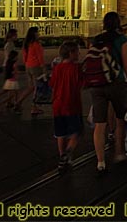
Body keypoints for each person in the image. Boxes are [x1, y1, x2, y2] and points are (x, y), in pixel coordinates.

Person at [89, 11, 127, 175]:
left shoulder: (96, 39)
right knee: (120, 120)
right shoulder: (122, 40)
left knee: (100, 124)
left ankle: (100, 162)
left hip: (97, 84)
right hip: (116, 84)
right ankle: (119, 152)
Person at [50, 40, 84, 173]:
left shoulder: (57, 68)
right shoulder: (75, 68)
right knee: (76, 132)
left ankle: (61, 156)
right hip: (72, 104)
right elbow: (80, 84)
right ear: (71, 53)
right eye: (77, 52)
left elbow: (52, 84)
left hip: (58, 104)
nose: (79, 54)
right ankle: (67, 153)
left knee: (60, 133)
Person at [19, 26, 46, 116]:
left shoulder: (26, 44)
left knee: (31, 87)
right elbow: (40, 57)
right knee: (37, 87)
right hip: (35, 67)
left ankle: (19, 101)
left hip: (28, 66)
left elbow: (24, 56)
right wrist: (43, 68)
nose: (39, 34)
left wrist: (26, 63)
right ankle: (34, 107)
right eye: (37, 32)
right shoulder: (36, 44)